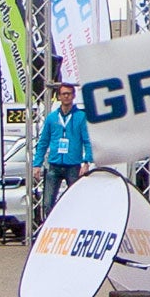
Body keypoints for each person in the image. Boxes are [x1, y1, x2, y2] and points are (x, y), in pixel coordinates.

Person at [31, 80, 92, 215]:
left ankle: (74, 225)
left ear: (73, 96)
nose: (66, 96)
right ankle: (50, 225)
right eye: (63, 94)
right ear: (58, 96)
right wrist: (37, 164)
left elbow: (87, 141)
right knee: (48, 203)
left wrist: (86, 162)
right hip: (54, 165)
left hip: (73, 166)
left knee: (75, 202)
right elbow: (43, 142)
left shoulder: (81, 117)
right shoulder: (52, 118)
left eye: (69, 94)